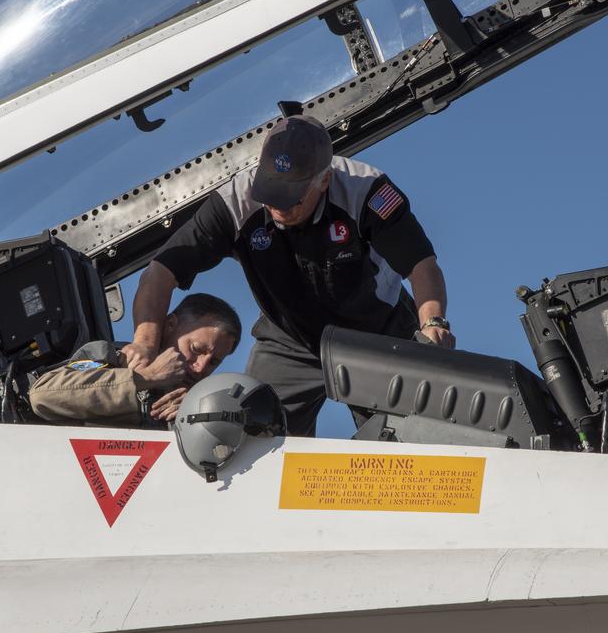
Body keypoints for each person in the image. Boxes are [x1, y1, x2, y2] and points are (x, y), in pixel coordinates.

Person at [125, 114, 453, 436]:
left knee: (411, 441)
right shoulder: (235, 202)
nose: (279, 208)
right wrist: (144, 344)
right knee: (251, 430)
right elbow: (160, 272)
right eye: (270, 194)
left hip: (377, 333)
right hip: (290, 339)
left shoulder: (366, 191)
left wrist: (433, 324)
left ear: (323, 180)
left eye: (292, 199)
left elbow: (421, 266)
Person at [29, 293, 240, 428]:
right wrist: (144, 377)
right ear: (169, 325)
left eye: (213, 363)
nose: (200, 367)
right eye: (195, 349)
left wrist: (197, 412)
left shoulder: (197, 404)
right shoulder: (110, 356)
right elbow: (43, 395)